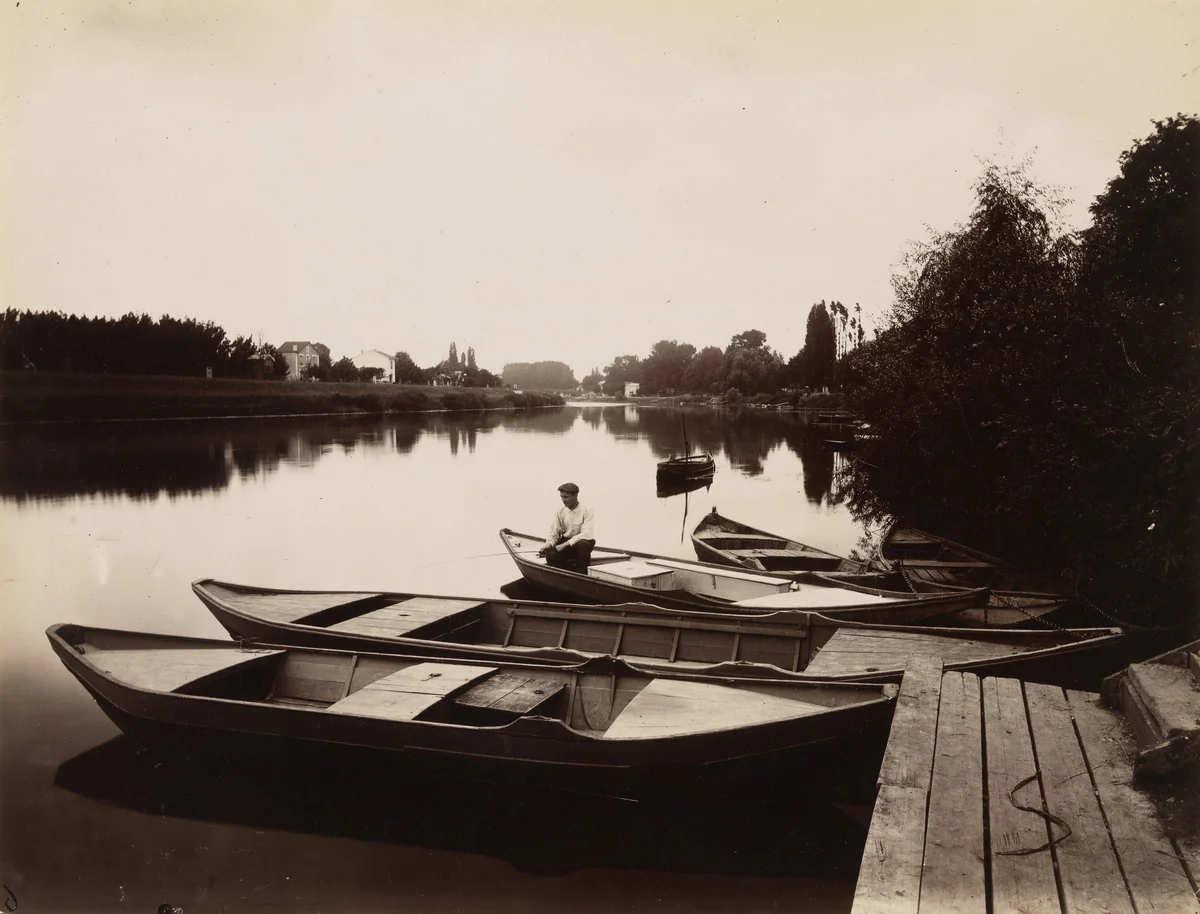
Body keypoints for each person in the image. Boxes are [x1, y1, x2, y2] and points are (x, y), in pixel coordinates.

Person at [537, 482, 596, 573]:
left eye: (566, 497)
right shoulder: (560, 512)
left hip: (582, 543)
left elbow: (586, 534)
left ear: (575, 495)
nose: (563, 500)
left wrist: (564, 545)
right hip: (566, 543)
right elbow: (554, 533)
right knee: (550, 556)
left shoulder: (587, 510)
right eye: (561, 497)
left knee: (582, 545)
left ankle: (582, 574)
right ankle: (567, 572)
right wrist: (549, 545)